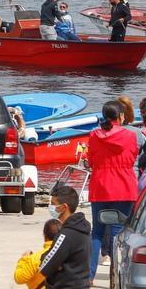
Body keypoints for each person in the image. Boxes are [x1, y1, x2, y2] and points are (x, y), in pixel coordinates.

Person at [87, 100, 139, 279]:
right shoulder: (130, 136)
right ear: (121, 116)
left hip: (100, 185)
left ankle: (90, 276)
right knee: (119, 233)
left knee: (97, 232)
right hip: (124, 186)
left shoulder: (94, 135)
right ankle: (116, 277)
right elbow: (132, 159)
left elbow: (91, 161)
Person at [37, 185, 91, 289]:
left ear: (64, 207)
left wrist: (47, 259)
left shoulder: (65, 234)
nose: (50, 207)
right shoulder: (84, 229)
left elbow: (45, 265)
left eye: (53, 204)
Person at [14, 219, 61, 288]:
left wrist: (23, 259)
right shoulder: (71, 255)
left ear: (44, 235)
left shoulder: (35, 258)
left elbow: (19, 278)